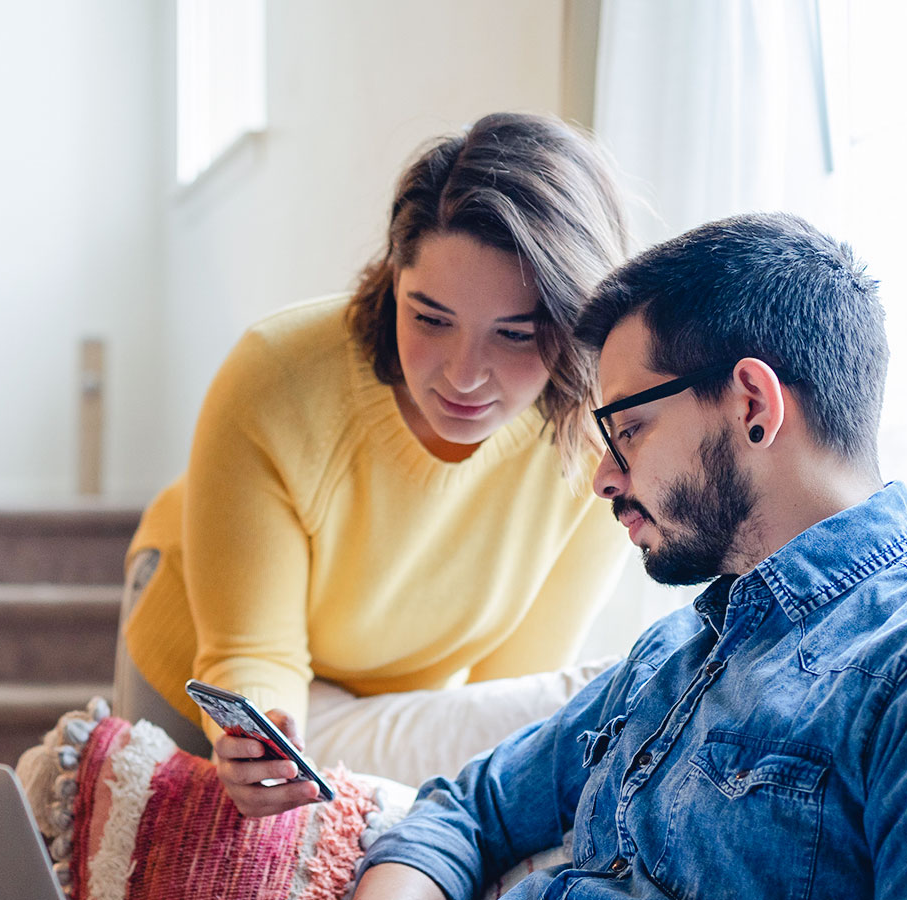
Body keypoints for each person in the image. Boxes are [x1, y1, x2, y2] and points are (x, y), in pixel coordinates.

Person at [353, 212, 907, 899]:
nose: (604, 478)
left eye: (628, 430)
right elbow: (467, 810)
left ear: (753, 405)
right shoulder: (673, 655)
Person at [116, 112, 638, 817]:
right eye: (429, 317)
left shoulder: (600, 454)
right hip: (200, 634)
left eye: (514, 335)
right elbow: (252, 651)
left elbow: (505, 699)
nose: (462, 375)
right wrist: (262, 743)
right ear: (394, 279)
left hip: (386, 684)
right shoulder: (277, 379)